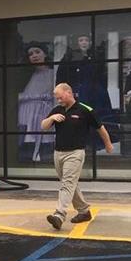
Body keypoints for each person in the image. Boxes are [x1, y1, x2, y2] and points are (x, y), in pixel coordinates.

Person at [40, 83, 114, 230]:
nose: (58, 100)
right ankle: (84, 211)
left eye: (60, 97)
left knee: (67, 183)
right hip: (58, 153)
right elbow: (44, 126)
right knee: (70, 183)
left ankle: (59, 215)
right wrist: (52, 118)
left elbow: (101, 128)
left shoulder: (85, 110)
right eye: (57, 98)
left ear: (69, 93)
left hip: (75, 153)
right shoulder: (57, 110)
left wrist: (108, 144)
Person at [18, 42, 55, 162]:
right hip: (25, 113)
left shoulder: (52, 74)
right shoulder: (26, 75)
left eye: (37, 52)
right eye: (31, 54)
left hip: (43, 112)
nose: (34, 55)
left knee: (43, 139)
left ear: (45, 54)